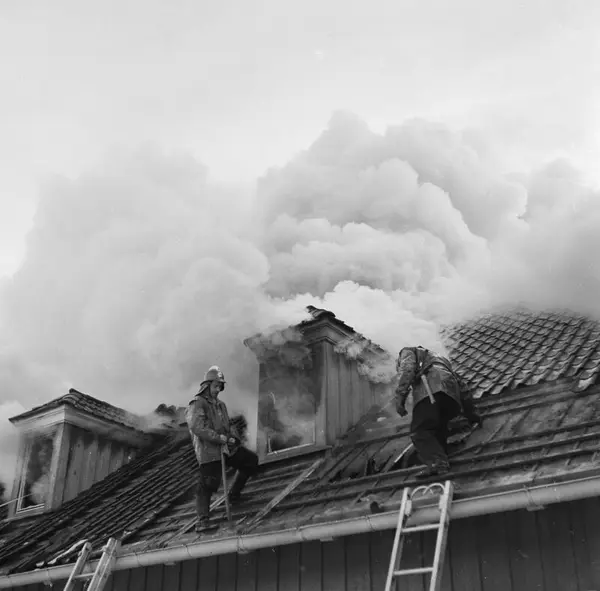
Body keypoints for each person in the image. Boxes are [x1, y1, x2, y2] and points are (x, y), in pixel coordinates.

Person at [186, 365, 259, 533]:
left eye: (220, 386)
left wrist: (232, 437)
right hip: (209, 451)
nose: (218, 389)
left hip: (226, 447)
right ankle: (202, 521)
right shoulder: (198, 403)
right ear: (207, 385)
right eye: (215, 386)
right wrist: (218, 438)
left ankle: (234, 495)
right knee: (207, 484)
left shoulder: (221, 405)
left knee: (250, 461)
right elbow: (197, 427)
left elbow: (226, 426)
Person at [395, 346, 483, 479]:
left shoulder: (407, 351)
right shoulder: (442, 362)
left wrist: (400, 398)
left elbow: (407, 370)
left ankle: (437, 463)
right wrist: (472, 413)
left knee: (420, 430)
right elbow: (463, 387)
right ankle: (441, 461)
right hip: (451, 397)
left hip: (431, 390)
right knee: (437, 430)